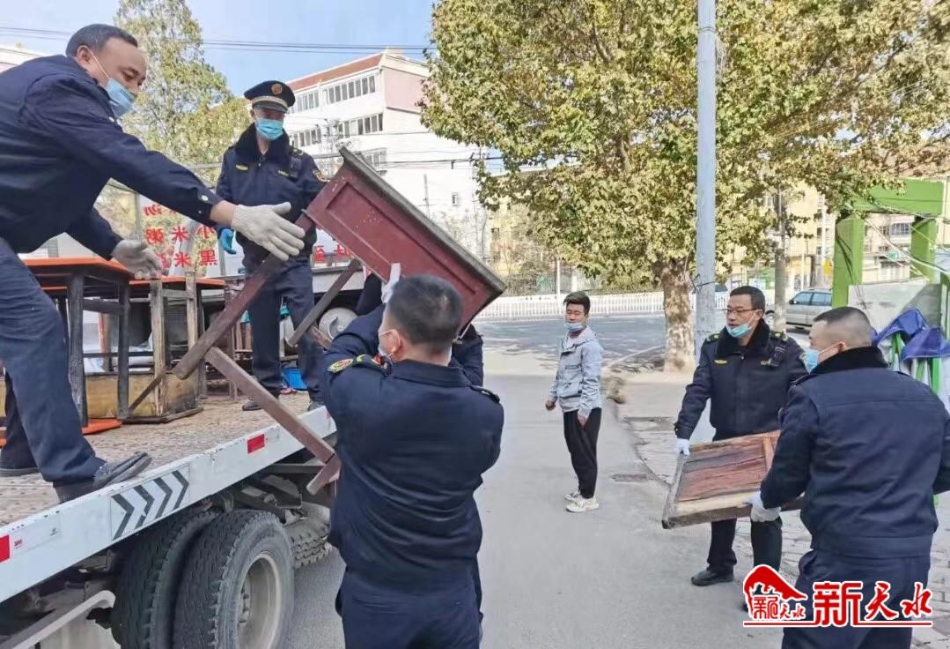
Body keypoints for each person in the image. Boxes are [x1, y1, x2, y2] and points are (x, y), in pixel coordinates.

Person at [0, 24, 306, 502]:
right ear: (86, 57)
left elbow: (63, 194)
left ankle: (22, 452)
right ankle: (74, 474)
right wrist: (230, 213)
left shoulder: (60, 108)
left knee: (32, 330)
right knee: (34, 325)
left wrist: (113, 245)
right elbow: (133, 161)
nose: (135, 91)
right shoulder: (57, 88)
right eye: (128, 76)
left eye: (141, 82)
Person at [750, 307, 950, 649]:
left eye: (814, 343)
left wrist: (766, 502)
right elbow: (945, 467)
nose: (809, 351)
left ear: (839, 347)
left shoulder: (814, 395)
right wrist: (901, 488)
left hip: (846, 556)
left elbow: (789, 470)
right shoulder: (922, 394)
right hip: (910, 557)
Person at [323, 274, 503, 649]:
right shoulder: (486, 414)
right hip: (452, 596)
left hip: (378, 600)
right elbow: (464, 384)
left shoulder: (362, 397)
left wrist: (383, 310)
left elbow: (337, 356)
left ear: (393, 341)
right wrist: (466, 341)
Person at [674, 286, 805, 590]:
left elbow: (801, 396)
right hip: (726, 441)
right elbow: (698, 390)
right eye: (729, 310)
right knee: (720, 508)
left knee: (765, 513)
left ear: (758, 314)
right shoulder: (715, 347)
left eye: (739, 311)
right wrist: (683, 432)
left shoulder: (783, 350)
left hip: (766, 445)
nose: (732, 317)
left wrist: (793, 436)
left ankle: (766, 585)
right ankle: (720, 566)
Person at [215, 80, 327, 412]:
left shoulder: (299, 161)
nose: (272, 120)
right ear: (253, 113)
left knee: (305, 325)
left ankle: (318, 392)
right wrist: (222, 227)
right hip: (256, 259)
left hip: (293, 258)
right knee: (262, 328)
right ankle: (266, 390)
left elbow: (320, 202)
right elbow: (222, 198)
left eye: (278, 115)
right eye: (267, 113)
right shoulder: (234, 158)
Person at [545, 291, 604, 513]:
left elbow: (592, 380)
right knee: (576, 451)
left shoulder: (591, 346)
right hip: (569, 405)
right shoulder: (568, 340)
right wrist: (553, 396)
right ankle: (582, 489)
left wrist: (584, 411)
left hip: (583, 409)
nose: (571, 317)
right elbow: (560, 373)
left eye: (577, 313)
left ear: (586, 315)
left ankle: (589, 498)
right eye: (569, 312)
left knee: (584, 453)